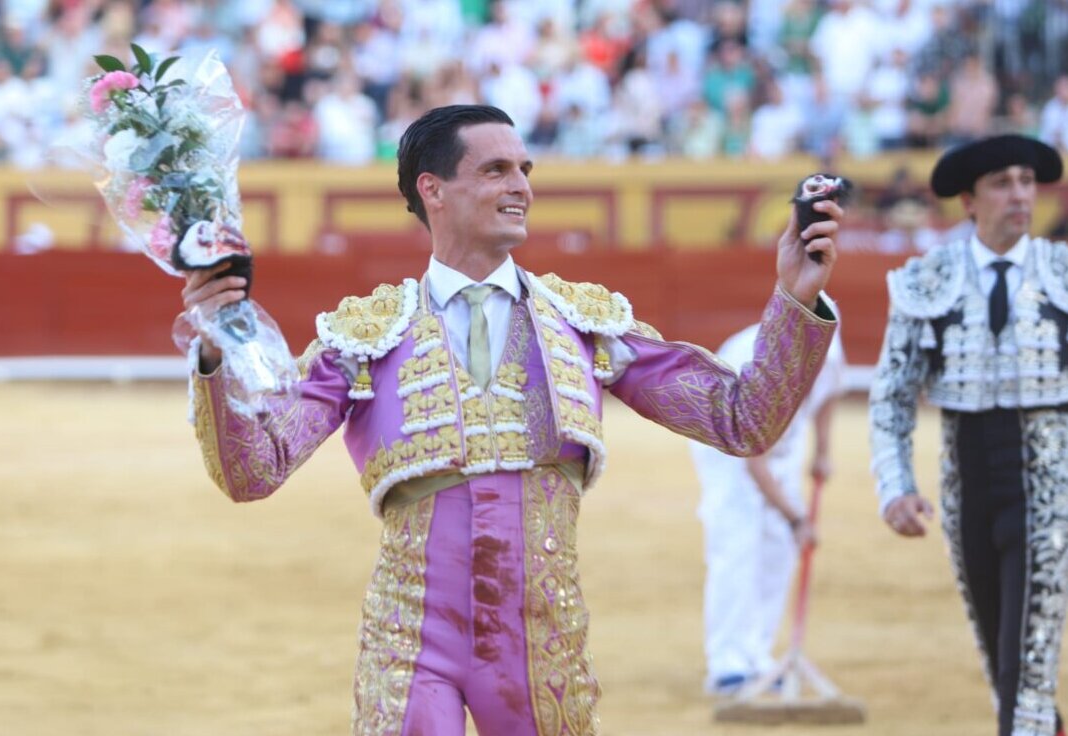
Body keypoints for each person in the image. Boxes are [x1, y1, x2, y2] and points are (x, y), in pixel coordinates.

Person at [180, 104, 841, 735]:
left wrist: (795, 297)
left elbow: (742, 420)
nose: (520, 186)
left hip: (541, 636)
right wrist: (214, 355)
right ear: (433, 190)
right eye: (495, 170)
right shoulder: (366, 336)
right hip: (411, 636)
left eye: (524, 169)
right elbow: (253, 471)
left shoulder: (584, 324)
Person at [869, 133, 1068, 736]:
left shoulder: (1062, 274)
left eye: (1027, 181)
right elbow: (893, 395)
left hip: (1048, 491)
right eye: (1002, 183)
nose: (1020, 195)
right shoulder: (929, 280)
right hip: (967, 490)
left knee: (1026, 669)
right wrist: (896, 487)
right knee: (1003, 662)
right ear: (969, 202)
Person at [691, 321, 845, 696]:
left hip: (783, 438)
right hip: (727, 441)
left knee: (778, 547)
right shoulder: (763, 364)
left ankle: (757, 656)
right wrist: (797, 519)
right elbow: (753, 462)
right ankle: (728, 664)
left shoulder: (828, 344)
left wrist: (823, 451)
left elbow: (828, 393)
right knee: (737, 545)